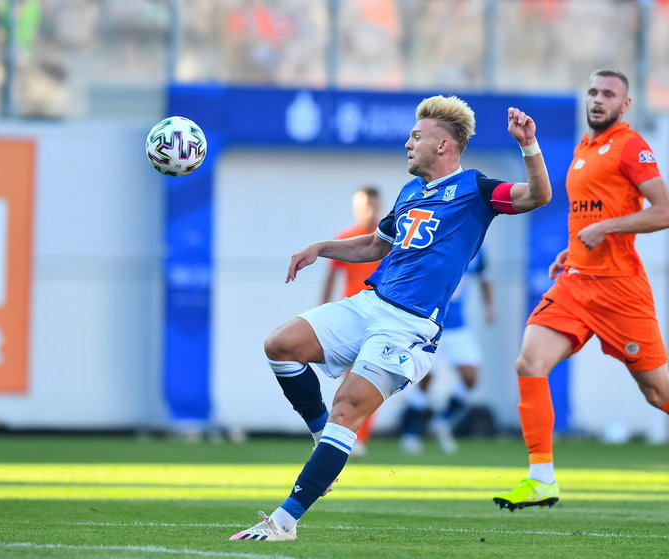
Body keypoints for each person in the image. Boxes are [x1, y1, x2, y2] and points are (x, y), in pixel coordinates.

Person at [229, 94, 552, 542]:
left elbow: (538, 195)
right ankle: (322, 433)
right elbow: (375, 247)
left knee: (348, 410)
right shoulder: (411, 192)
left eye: (416, 136)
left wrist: (528, 146)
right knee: (279, 345)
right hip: (370, 303)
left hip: (410, 325)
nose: (407, 143)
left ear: (443, 146)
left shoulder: (476, 190)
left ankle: (284, 522)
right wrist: (321, 248)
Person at [492, 69, 669, 513]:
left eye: (609, 94)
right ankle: (541, 477)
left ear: (625, 105)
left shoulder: (632, 146)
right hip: (577, 282)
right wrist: (571, 249)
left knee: (658, 392)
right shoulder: (584, 147)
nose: (598, 100)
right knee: (529, 360)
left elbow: (666, 212)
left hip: (621, 291)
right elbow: (590, 212)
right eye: (593, 92)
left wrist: (607, 228)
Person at [400, 246, 493, 455]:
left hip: (458, 325)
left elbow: (485, 277)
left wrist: (489, 307)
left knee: (470, 377)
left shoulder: (477, 247)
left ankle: (443, 421)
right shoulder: (442, 239)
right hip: (430, 323)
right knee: (426, 379)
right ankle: (411, 432)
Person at [321, 185, 384, 456]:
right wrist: (324, 310)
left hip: (383, 317)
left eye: (372, 204)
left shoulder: (390, 237)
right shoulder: (346, 238)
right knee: (351, 379)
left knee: (371, 378)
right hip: (353, 316)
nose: (368, 210)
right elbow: (331, 277)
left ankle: (358, 437)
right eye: (363, 205)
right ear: (356, 207)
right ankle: (340, 432)